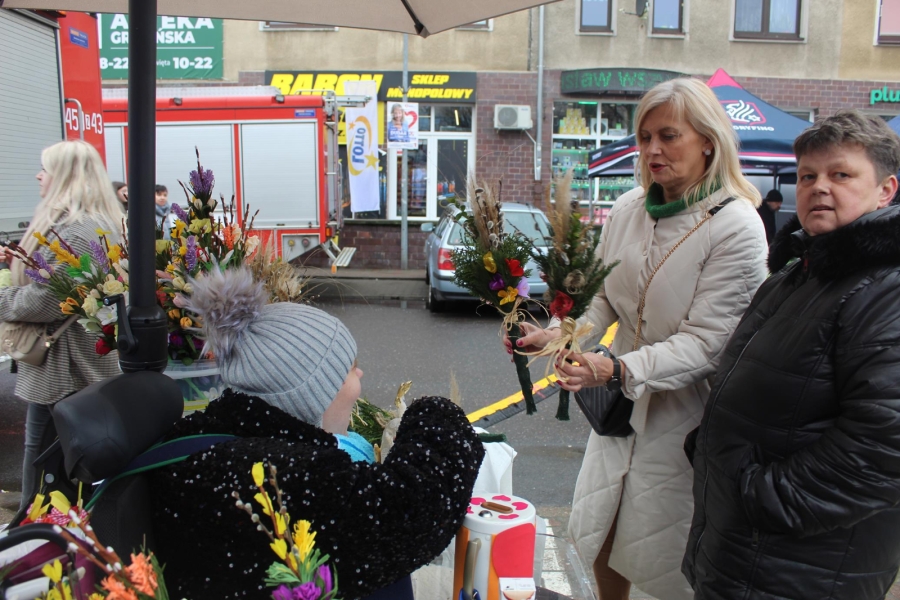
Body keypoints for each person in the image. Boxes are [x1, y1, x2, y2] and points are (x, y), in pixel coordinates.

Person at [507, 78, 767, 600]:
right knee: (602, 531)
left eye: (669, 136)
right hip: (619, 411)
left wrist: (618, 369)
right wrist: (553, 335)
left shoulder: (737, 226)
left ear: (708, 142)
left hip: (685, 420)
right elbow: (600, 301)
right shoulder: (628, 208)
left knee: (662, 554)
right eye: (644, 136)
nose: (652, 150)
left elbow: (708, 343)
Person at [149, 267, 484, 600]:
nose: (361, 374)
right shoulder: (283, 474)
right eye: (351, 368)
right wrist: (434, 413)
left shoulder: (211, 438)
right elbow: (413, 509)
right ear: (313, 394)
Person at [682, 111, 900, 599]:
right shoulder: (798, 273)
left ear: (886, 190)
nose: (819, 187)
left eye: (840, 174)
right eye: (807, 176)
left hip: (804, 568)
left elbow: (884, 448)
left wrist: (759, 494)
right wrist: (711, 453)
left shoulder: (886, 289)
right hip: (745, 552)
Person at [0, 140, 123, 510]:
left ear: (66, 177)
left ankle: (35, 531)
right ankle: (45, 523)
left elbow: (48, 299)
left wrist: (4, 299)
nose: (39, 175)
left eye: (46, 169)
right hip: (69, 363)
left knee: (43, 462)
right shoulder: (92, 225)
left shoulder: (75, 230)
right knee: (52, 458)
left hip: (64, 366)